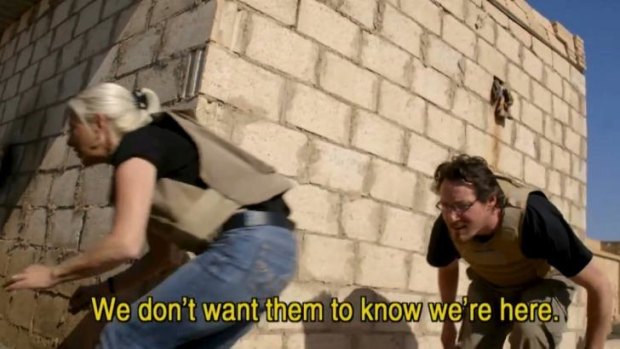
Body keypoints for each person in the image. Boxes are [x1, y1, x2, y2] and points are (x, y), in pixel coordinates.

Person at [4, 82, 298, 348]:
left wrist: (53, 274)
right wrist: (104, 290)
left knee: (124, 338)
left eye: (73, 127)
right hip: (276, 254)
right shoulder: (153, 152)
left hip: (246, 249)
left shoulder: (137, 145)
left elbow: (124, 244)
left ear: (99, 123)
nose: (69, 141)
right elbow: (162, 258)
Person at [426, 154, 612, 349]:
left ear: (491, 201)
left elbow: (600, 285)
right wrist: (448, 323)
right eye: (445, 206)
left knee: (529, 333)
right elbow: (447, 267)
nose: (452, 217)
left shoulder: (535, 218)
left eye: (462, 206)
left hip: (542, 283)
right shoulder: (448, 225)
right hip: (490, 287)